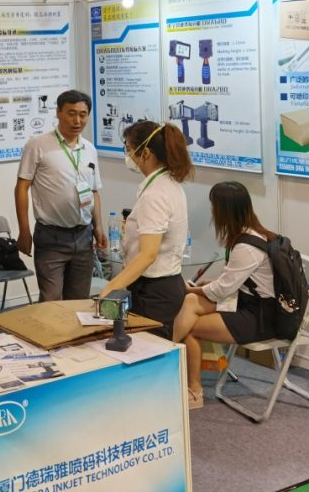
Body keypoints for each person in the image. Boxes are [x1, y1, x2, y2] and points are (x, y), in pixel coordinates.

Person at [172, 182, 279, 409]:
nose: (212, 211)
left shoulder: (246, 247)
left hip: (260, 318)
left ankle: (192, 389)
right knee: (190, 303)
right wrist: (205, 287)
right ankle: (166, 359)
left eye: (214, 206)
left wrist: (193, 289)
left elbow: (223, 290)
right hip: (249, 303)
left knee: (190, 324)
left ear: (224, 210)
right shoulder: (253, 235)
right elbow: (231, 282)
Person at [98, 121, 193, 339]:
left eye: (129, 149)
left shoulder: (155, 194)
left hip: (153, 292)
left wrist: (110, 288)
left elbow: (148, 254)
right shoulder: (169, 184)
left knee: (149, 350)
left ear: (147, 153)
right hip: (166, 285)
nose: (128, 156)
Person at [16, 90, 107, 301]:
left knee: (78, 301)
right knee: (51, 301)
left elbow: (94, 191)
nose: (77, 120)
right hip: (51, 236)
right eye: (71, 113)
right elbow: (21, 187)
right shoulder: (38, 145)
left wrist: (98, 226)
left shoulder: (89, 149)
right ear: (58, 113)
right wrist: (24, 230)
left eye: (83, 114)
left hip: (83, 236)